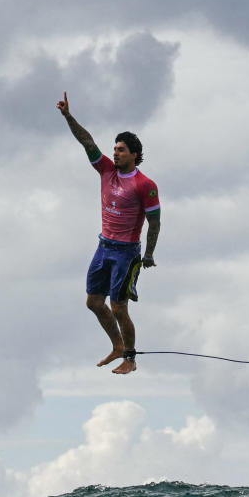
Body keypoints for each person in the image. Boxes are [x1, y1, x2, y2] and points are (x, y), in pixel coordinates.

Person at [57, 92, 160, 375]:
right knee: (93, 302)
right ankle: (117, 345)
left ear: (134, 155)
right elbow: (87, 141)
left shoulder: (145, 184)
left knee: (118, 307)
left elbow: (155, 222)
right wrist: (68, 117)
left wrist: (149, 254)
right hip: (104, 247)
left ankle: (130, 357)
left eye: (121, 150)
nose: (115, 153)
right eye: (114, 149)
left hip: (126, 253)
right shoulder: (106, 171)